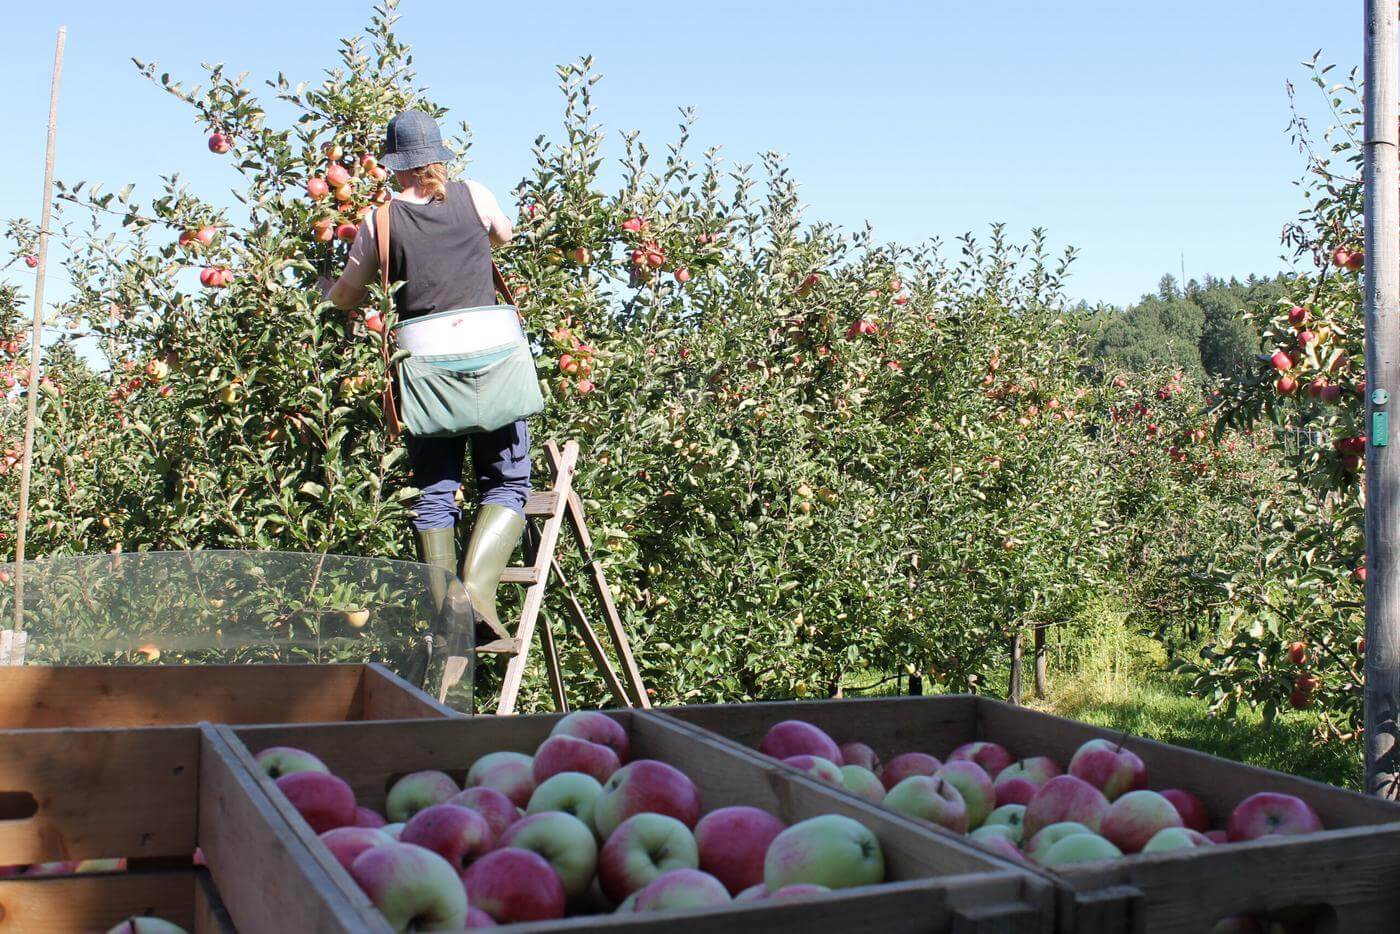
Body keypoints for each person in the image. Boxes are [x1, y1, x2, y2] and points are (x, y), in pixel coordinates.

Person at [320, 108, 529, 641]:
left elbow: (347, 294)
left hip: (426, 369)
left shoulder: (380, 220)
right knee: (506, 481)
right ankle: (478, 595)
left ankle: (450, 613)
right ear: (438, 156)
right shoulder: (474, 194)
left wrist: (324, 291)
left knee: (437, 490)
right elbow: (503, 236)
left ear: (395, 164)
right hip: (492, 359)